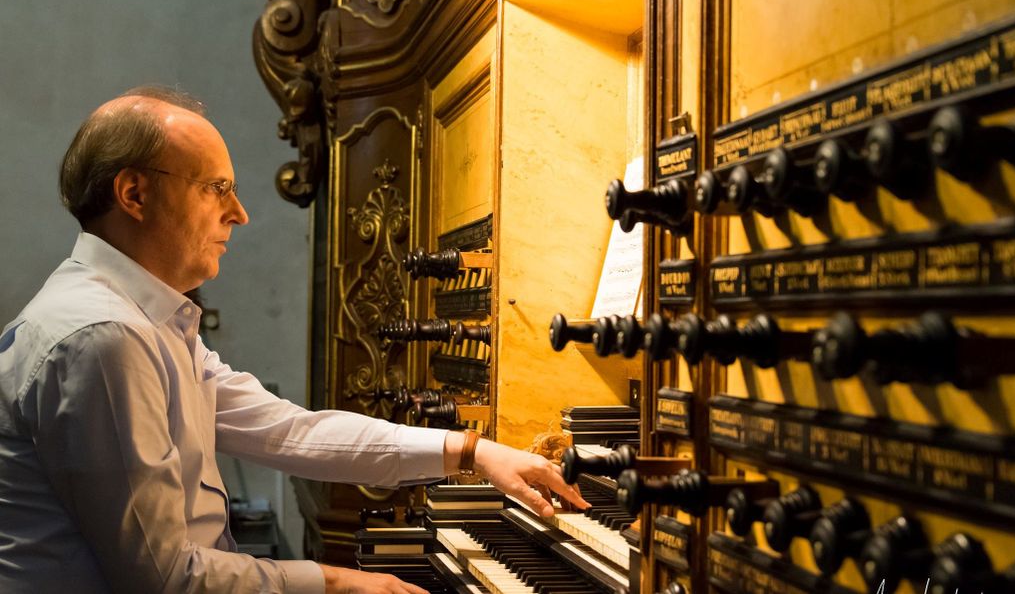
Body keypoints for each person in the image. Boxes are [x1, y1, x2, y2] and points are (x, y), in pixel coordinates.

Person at [0, 86, 590, 594]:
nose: (239, 213)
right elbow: (164, 579)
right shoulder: (105, 337)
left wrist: (472, 452)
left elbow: (287, 431)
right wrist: (334, 581)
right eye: (217, 187)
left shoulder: (143, 320)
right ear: (134, 194)